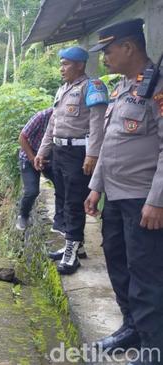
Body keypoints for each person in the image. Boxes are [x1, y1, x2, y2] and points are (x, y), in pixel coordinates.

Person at [85, 18, 163, 364]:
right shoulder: (121, 89)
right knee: (118, 265)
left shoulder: (158, 89)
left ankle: (153, 347)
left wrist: (157, 201)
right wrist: (95, 187)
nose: (105, 58)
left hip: (142, 200)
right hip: (114, 197)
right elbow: (110, 144)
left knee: (146, 274)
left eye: (108, 50)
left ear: (129, 47)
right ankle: (130, 327)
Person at [34, 46, 109, 275]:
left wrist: (93, 154)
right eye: (61, 64)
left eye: (66, 64)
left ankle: (71, 255)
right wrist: (42, 151)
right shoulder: (63, 90)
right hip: (59, 152)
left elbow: (97, 123)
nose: (61, 68)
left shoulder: (92, 87)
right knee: (62, 197)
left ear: (80, 65)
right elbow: (52, 125)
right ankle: (75, 245)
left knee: (74, 202)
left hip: (79, 153)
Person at [16, 107, 67, 236]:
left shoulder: (67, 120)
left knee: (62, 187)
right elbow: (22, 137)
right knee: (32, 191)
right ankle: (23, 215)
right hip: (29, 157)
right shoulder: (41, 117)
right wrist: (33, 158)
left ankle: (60, 221)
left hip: (48, 158)